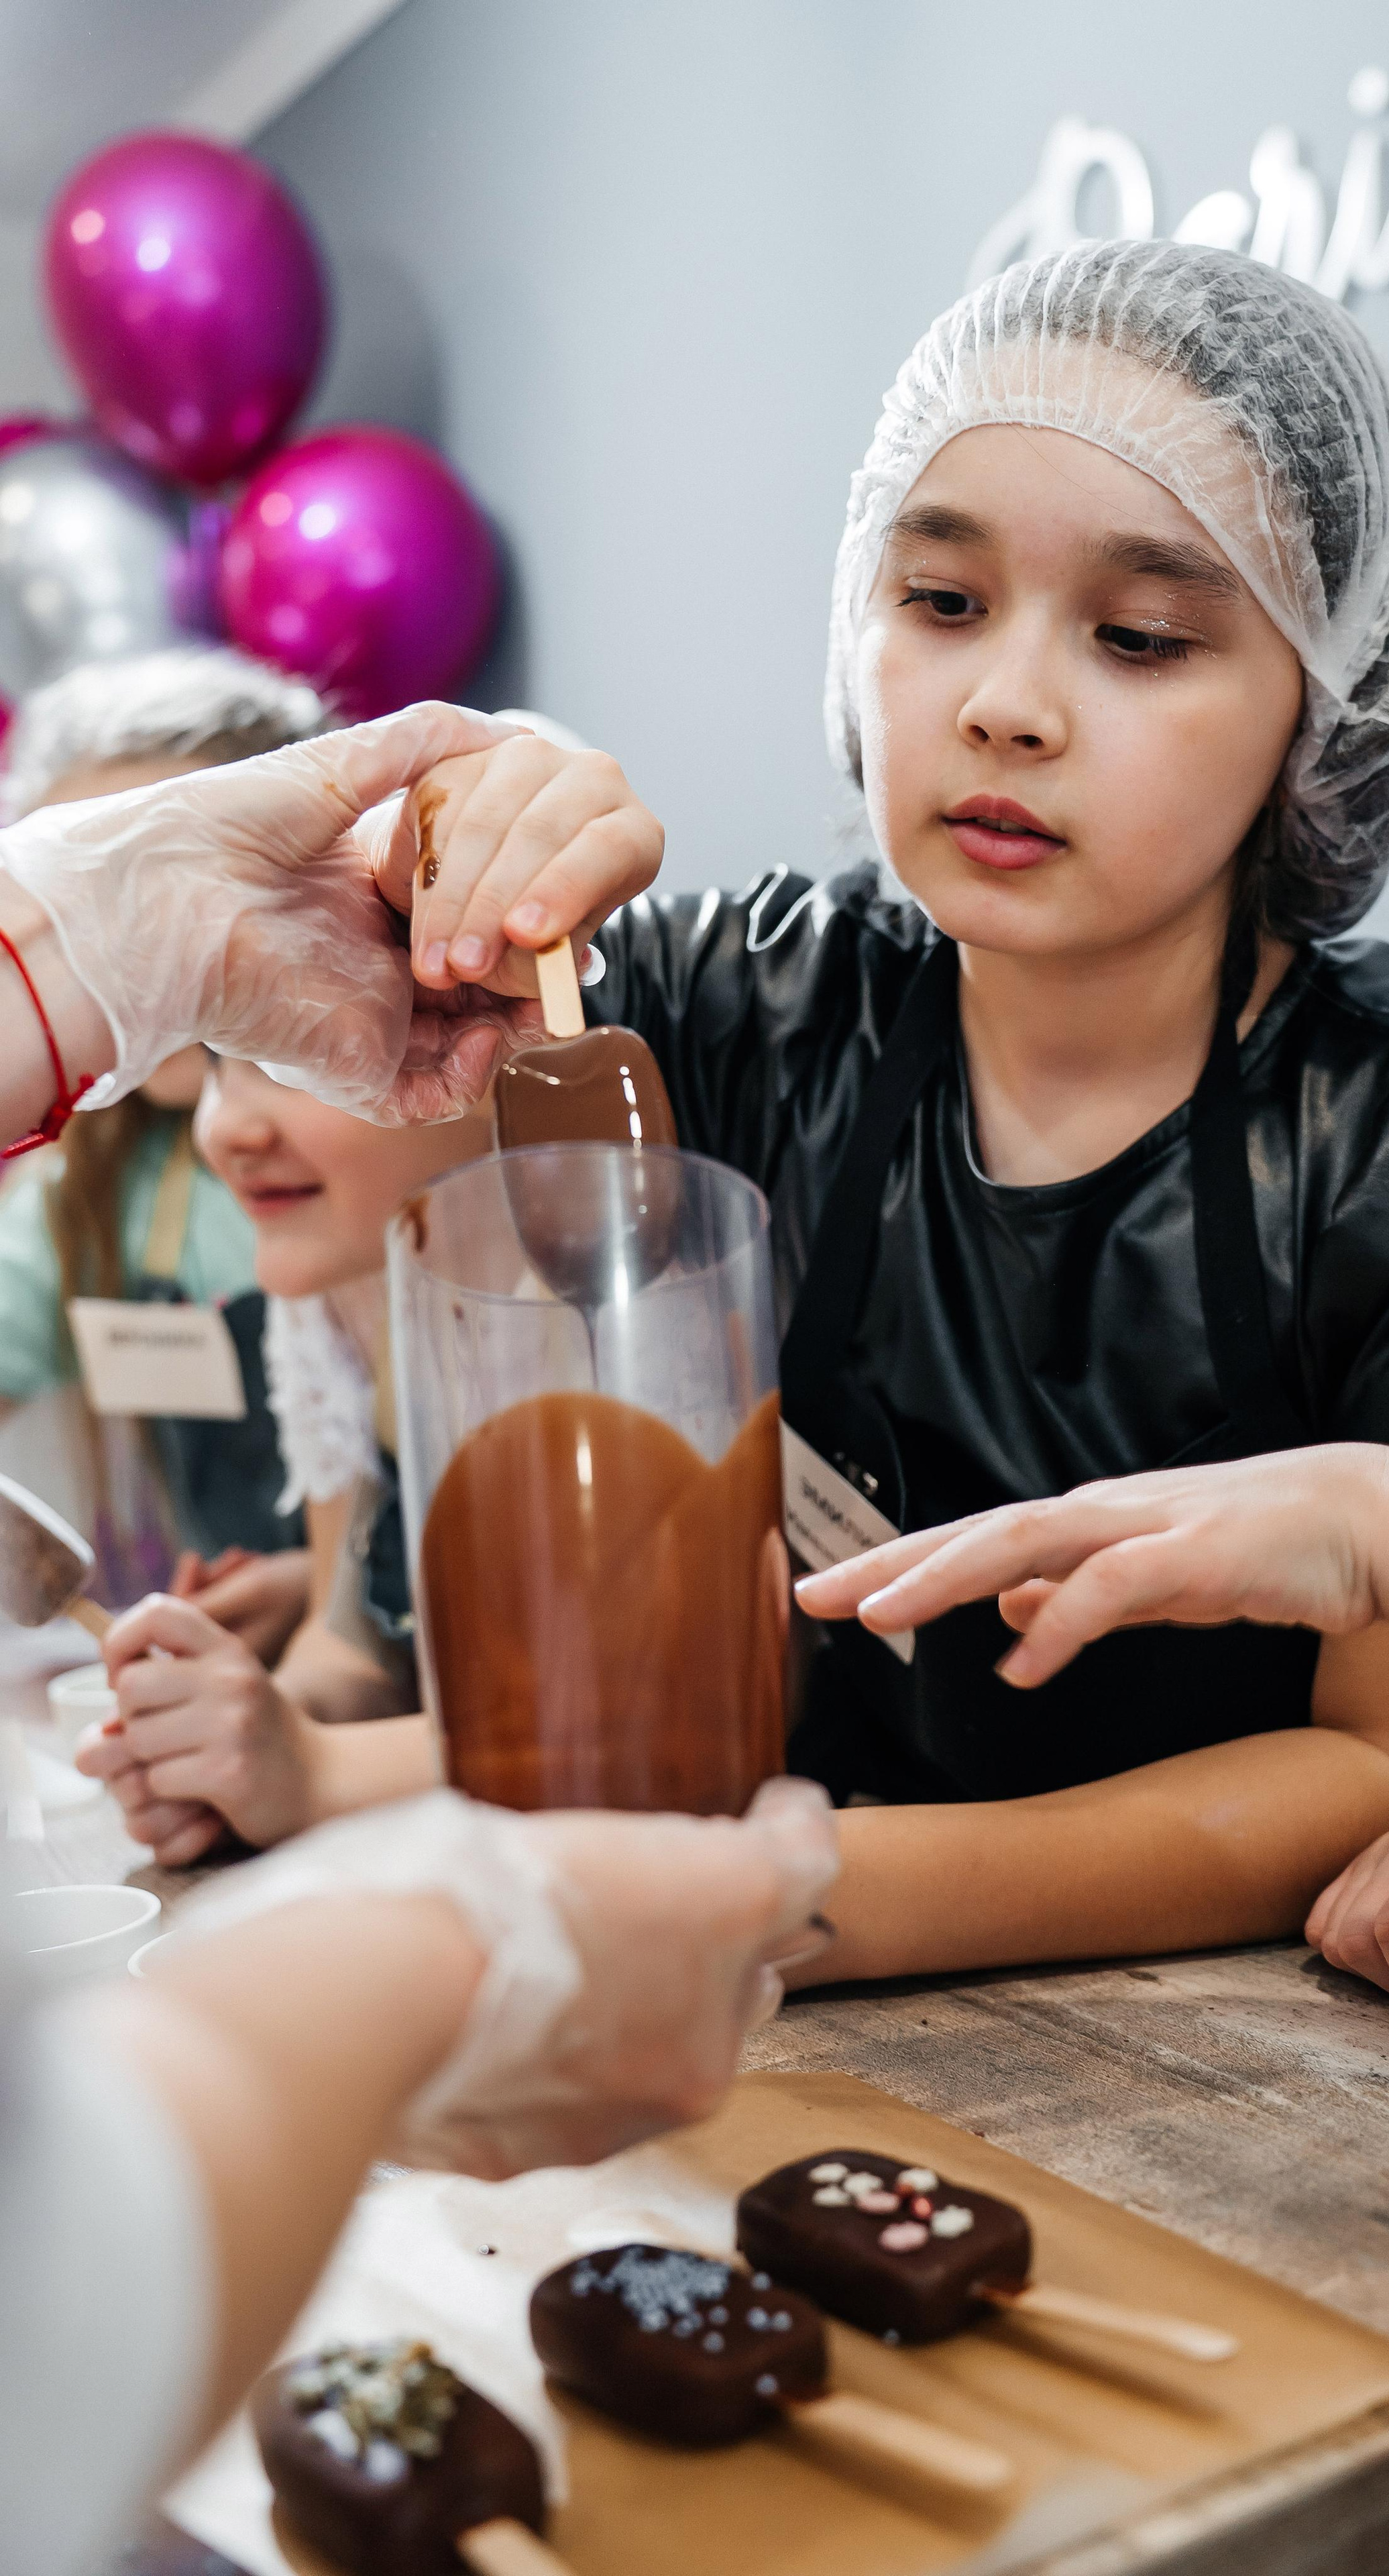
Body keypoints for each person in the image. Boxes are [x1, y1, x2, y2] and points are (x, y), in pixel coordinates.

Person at [378, 239, 1389, 1988]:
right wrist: (437, 847)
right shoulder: (746, 1004)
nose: (1005, 705)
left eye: (1139, 637)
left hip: (1254, 2069)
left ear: (1333, 709)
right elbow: (386, 1180)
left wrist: (814, 1894)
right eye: (943, 602)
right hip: (749, 2006)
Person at [0, 699, 834, 2576]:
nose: (225, 1123)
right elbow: (49, 2328)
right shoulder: (359, 1322)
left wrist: (86, 942)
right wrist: (412, 1945)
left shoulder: (600, 1296)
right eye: (191, 1055)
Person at [80, 1055, 492, 1866]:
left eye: (300, 1063)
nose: (227, 1128)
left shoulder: (618, 1293)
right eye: (218, 1064)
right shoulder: (334, 1285)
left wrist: (314, 1770)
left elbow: (643, 1731)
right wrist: (245, 1729)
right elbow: (353, 1644)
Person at [0, 648, 333, 1646]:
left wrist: (337, 1583)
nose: (139, 957)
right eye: (88, 918)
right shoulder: (87, 1199)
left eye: (166, 892)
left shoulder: (385, 1143)